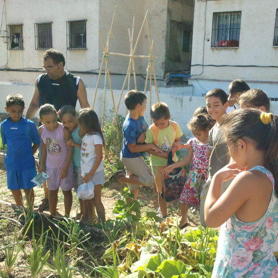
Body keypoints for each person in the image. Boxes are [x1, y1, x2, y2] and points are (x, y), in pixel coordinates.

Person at [205, 109, 278, 277]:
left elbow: (211, 218)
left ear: (241, 145)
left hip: (241, 272)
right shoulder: (270, 174)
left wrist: (216, 180)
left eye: (228, 146)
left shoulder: (248, 180)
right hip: (265, 269)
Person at [26, 48, 90, 211]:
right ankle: (47, 198)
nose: (46, 70)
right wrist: (25, 123)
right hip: (46, 132)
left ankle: (80, 204)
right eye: (44, 66)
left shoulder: (75, 81)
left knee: (70, 168)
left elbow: (85, 108)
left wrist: (89, 132)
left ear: (60, 65)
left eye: (49, 66)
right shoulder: (41, 80)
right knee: (45, 165)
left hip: (67, 132)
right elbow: (34, 103)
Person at [163, 112, 214, 227]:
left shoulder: (212, 144)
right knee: (184, 198)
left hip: (207, 177)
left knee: (205, 202)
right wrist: (173, 166)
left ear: (207, 130)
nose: (196, 136)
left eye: (198, 133)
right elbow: (187, 159)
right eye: (194, 133)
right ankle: (183, 220)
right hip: (194, 176)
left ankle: (205, 226)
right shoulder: (194, 142)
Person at [0, 94, 40, 208]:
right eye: (13, 111)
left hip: (27, 163)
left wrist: (29, 154)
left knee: (28, 188)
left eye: (19, 111)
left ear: (23, 110)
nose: (17, 114)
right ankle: (20, 209)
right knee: (14, 188)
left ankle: (30, 211)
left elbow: (37, 142)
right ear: (6, 110)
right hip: (12, 164)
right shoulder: (3, 126)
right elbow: (5, 143)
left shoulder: (29, 125)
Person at [119, 90, 160, 199]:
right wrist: (151, 146)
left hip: (134, 156)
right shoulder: (129, 125)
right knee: (150, 180)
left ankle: (130, 210)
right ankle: (123, 177)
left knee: (133, 189)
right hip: (130, 157)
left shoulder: (139, 117)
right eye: (145, 104)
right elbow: (132, 148)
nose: (146, 107)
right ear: (138, 106)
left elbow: (145, 131)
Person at [145, 102, 183, 218]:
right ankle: (164, 214)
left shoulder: (174, 126)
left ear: (168, 118)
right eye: (156, 123)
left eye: (162, 123)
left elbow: (178, 139)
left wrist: (175, 147)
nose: (159, 126)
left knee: (175, 186)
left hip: (173, 162)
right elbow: (149, 148)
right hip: (157, 164)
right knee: (161, 189)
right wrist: (163, 155)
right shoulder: (151, 130)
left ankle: (180, 214)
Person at [199, 88, 230, 226]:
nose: (211, 109)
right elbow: (210, 153)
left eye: (216, 105)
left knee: (221, 220)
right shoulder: (213, 129)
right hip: (214, 177)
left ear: (226, 105)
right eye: (209, 105)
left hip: (229, 179)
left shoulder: (233, 126)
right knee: (206, 216)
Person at [39, 104, 73, 217]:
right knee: (52, 192)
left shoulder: (63, 130)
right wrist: (42, 165)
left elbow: (69, 150)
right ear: (42, 121)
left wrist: (66, 167)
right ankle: (52, 215)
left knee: (66, 191)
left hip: (64, 167)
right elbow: (43, 150)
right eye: (48, 122)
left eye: (54, 120)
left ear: (57, 116)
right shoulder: (42, 131)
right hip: (50, 167)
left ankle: (67, 216)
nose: (52, 124)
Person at [78, 108, 105, 223]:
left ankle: (103, 223)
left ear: (87, 124)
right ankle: (89, 219)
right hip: (87, 173)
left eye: (81, 124)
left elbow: (99, 157)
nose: (80, 127)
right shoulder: (86, 136)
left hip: (95, 173)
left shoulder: (96, 137)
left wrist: (90, 174)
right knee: (87, 198)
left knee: (97, 199)